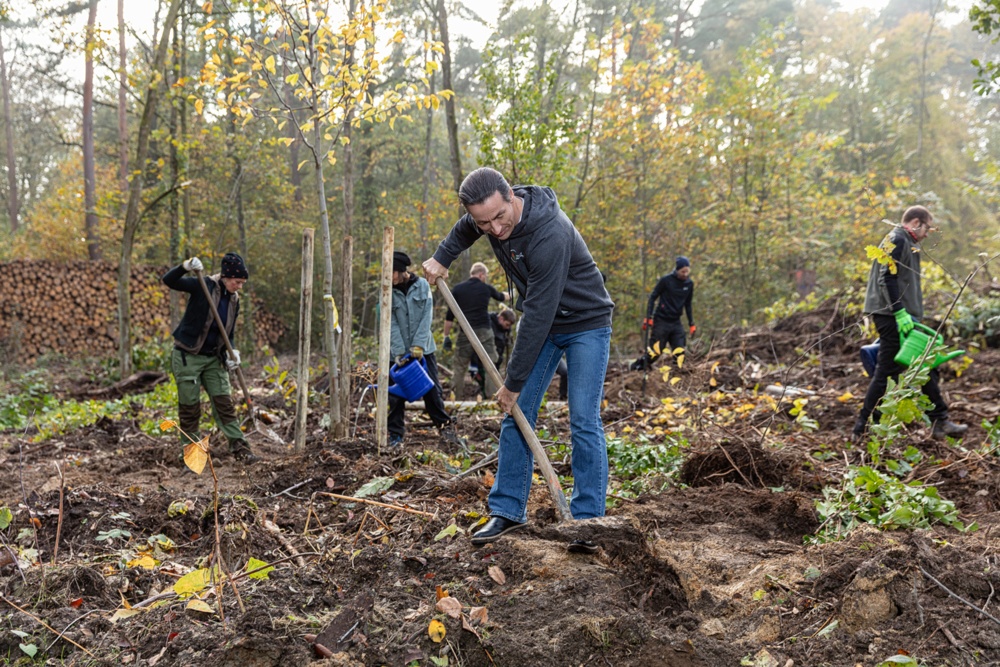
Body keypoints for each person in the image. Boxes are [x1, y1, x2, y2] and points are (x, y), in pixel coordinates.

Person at [423, 167, 614, 554]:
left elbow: (538, 317)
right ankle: (508, 510)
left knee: (583, 418)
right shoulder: (486, 216)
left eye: (499, 217)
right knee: (518, 413)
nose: (494, 228)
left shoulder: (550, 234)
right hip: (546, 325)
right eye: (484, 222)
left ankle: (589, 521)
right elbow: (464, 230)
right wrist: (441, 257)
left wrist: (511, 384)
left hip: (586, 324)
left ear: (510, 195)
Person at [853, 205, 967, 441]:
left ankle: (939, 420)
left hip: (901, 315)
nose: (927, 234)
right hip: (892, 316)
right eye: (927, 228)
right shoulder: (897, 238)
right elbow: (887, 277)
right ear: (916, 222)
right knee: (888, 371)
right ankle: (863, 428)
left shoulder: (908, 242)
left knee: (924, 363)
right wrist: (899, 312)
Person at [162, 253, 259, 463]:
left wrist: (233, 352)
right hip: (188, 355)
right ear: (226, 276)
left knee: (224, 403)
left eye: (242, 283)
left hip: (214, 359)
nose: (240, 286)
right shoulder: (202, 286)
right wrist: (184, 266)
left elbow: (229, 332)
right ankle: (193, 457)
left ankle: (241, 449)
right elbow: (169, 281)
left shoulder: (234, 299)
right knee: (190, 409)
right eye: (237, 282)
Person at [386, 251, 463, 448]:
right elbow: (390, 323)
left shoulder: (421, 286)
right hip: (397, 352)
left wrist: (418, 345)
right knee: (394, 396)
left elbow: (426, 317)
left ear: (402, 271)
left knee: (432, 391)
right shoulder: (386, 291)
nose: (388, 277)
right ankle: (395, 436)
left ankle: (446, 429)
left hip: (424, 350)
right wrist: (400, 352)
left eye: (392, 272)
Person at [442, 262, 508, 399]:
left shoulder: (458, 289)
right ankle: (492, 397)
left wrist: (446, 337)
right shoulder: (486, 288)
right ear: (481, 275)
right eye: (486, 276)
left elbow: (449, 316)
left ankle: (456, 399)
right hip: (484, 331)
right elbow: (501, 297)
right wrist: (511, 294)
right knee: (491, 364)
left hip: (465, 332)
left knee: (460, 367)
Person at [631, 256, 694, 371]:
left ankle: (677, 374)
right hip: (662, 320)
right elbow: (653, 297)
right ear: (677, 270)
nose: (685, 274)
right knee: (656, 351)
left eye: (687, 271)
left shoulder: (689, 284)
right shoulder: (666, 280)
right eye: (682, 271)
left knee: (680, 351)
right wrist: (648, 317)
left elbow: (688, 304)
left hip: (676, 321)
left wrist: (691, 323)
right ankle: (638, 366)